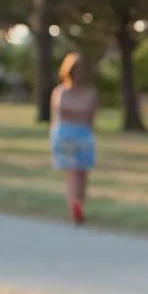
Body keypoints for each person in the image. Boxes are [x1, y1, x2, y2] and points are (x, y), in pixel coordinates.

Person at [50, 53, 97, 224]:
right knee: (82, 173)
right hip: (83, 133)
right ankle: (80, 203)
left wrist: (54, 139)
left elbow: (55, 119)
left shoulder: (59, 92)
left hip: (63, 133)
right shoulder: (91, 94)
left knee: (71, 174)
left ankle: (73, 203)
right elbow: (91, 119)